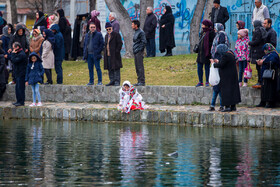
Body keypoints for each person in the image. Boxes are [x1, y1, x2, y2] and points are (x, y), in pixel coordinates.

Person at [212, 44, 241, 112]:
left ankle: (227, 107)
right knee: (233, 91)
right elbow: (225, 63)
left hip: (227, 77)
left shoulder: (225, 55)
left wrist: (214, 64)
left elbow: (222, 65)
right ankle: (233, 106)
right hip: (232, 76)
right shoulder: (231, 54)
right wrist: (219, 61)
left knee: (226, 91)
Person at [256, 43, 280, 108]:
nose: (264, 51)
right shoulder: (267, 55)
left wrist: (263, 62)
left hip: (271, 75)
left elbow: (272, 61)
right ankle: (263, 101)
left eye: (265, 49)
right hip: (265, 75)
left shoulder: (274, 54)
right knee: (264, 88)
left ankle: (270, 103)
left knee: (270, 89)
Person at [196, 20, 215, 87]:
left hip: (207, 53)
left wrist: (207, 46)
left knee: (207, 67)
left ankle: (207, 81)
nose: (202, 25)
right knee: (199, 67)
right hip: (200, 53)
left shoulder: (211, 32)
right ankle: (200, 81)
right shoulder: (202, 32)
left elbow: (212, 43)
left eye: (203, 24)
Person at [104, 22, 123, 86]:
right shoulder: (106, 36)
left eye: (110, 29)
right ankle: (112, 80)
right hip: (108, 55)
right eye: (107, 29)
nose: (109, 30)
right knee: (110, 68)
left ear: (112, 28)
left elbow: (120, 43)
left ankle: (117, 81)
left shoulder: (116, 34)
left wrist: (117, 51)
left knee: (116, 68)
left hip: (115, 55)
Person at [249, 20, 267, 88]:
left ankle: (260, 81)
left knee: (258, 67)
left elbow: (256, 41)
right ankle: (261, 80)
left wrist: (250, 43)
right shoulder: (262, 30)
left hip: (257, 51)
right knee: (260, 67)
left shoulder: (257, 31)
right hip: (261, 51)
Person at [11, 42, 27, 106]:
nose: (13, 49)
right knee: (17, 88)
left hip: (21, 73)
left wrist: (13, 54)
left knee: (20, 88)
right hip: (17, 73)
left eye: (14, 48)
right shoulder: (18, 53)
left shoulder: (22, 54)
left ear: (17, 47)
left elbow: (14, 60)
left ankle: (21, 101)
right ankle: (18, 100)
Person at [132, 20, 146, 86]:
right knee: (137, 66)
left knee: (140, 66)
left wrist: (139, 50)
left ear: (136, 25)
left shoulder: (141, 32)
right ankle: (139, 80)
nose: (131, 26)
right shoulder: (136, 32)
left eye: (132, 24)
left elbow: (144, 42)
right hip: (135, 51)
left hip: (139, 52)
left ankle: (142, 81)